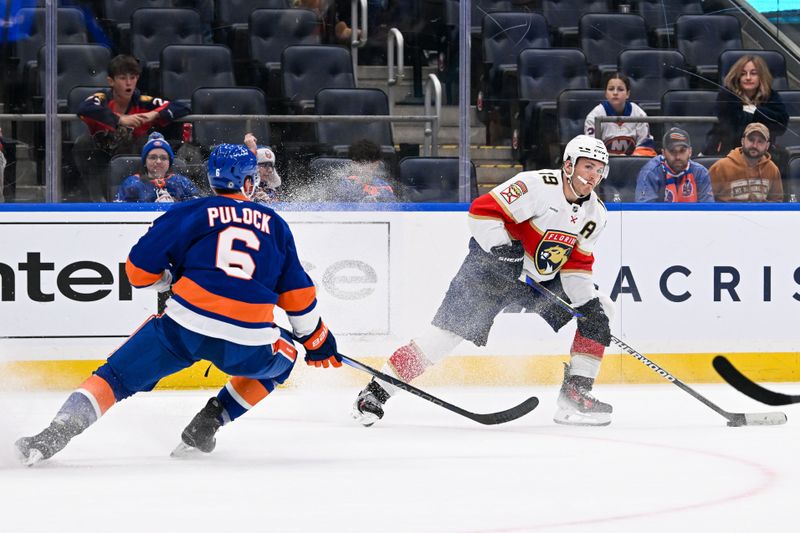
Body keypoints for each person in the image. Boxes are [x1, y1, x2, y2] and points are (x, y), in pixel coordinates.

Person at [15, 144, 342, 466]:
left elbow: (138, 272)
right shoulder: (276, 225)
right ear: (248, 181)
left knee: (114, 377)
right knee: (286, 358)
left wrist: (170, 277)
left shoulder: (189, 213)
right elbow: (298, 297)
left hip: (184, 328)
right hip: (248, 341)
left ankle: (53, 435)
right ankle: (209, 422)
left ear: (213, 181)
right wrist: (316, 340)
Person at [352, 135, 615, 427]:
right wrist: (503, 248)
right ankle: (375, 392)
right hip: (489, 272)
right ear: (568, 164)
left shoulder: (596, 214)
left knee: (600, 307)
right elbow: (481, 211)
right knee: (442, 339)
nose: (593, 175)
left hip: (538, 279)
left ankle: (574, 397)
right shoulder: (537, 186)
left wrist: (585, 304)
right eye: (587, 166)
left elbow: (577, 265)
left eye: (599, 169)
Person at [71, 54, 190, 201]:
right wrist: (120, 119)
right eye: (122, 78)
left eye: (133, 78)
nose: (128, 83)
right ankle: (97, 201)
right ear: (111, 81)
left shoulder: (143, 102)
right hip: (100, 156)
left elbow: (182, 107)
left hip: (132, 156)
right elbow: (84, 108)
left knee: (146, 143)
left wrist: (154, 114)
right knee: (83, 143)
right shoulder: (102, 98)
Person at [703, 55, 789, 160]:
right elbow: (733, 124)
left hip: (763, 155)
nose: (748, 78)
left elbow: (780, 124)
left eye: (753, 73)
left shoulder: (771, 96)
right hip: (730, 153)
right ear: (738, 77)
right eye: (743, 74)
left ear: (761, 76)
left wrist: (750, 109)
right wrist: (759, 115)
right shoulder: (727, 95)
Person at [584, 73, 656, 157]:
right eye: (611, 89)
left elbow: (645, 147)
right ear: (606, 94)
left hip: (633, 163)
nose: (615, 93)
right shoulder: (594, 116)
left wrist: (627, 161)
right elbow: (591, 150)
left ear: (628, 94)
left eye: (620, 89)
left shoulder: (639, 114)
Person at [634, 127, 714, 203]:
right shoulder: (650, 173)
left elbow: (709, 211)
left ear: (690, 152)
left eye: (682, 151)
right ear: (663, 153)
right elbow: (645, 212)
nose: (678, 157)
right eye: (672, 151)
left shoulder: (700, 173)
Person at [708, 122, 784, 202]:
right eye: (751, 140)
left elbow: (777, 202)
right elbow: (706, 200)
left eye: (760, 141)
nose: (754, 145)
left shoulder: (772, 169)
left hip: (759, 214)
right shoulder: (721, 167)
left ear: (767, 146)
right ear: (742, 141)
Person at [115, 132, 199, 203]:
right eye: (153, 157)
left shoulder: (182, 183)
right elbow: (119, 212)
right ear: (145, 162)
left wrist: (176, 203)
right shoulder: (132, 184)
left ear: (169, 162)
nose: (158, 161)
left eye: (163, 158)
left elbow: (197, 207)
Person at [243, 132, 282, 202]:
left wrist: (268, 201)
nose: (270, 170)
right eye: (265, 165)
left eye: (271, 166)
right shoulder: (242, 186)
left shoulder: (271, 189)